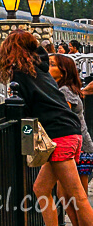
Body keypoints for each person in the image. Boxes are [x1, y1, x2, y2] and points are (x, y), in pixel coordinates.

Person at [0, 30, 93, 225]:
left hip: (59, 135)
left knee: (78, 196)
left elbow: (24, 109)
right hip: (69, 132)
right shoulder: (40, 68)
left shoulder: (21, 75)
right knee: (41, 189)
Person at [49, 54, 93, 226]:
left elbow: (61, 116)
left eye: (52, 64)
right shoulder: (68, 88)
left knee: (76, 196)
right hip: (80, 145)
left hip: (80, 148)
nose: (47, 66)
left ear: (63, 71)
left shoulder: (65, 90)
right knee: (66, 195)